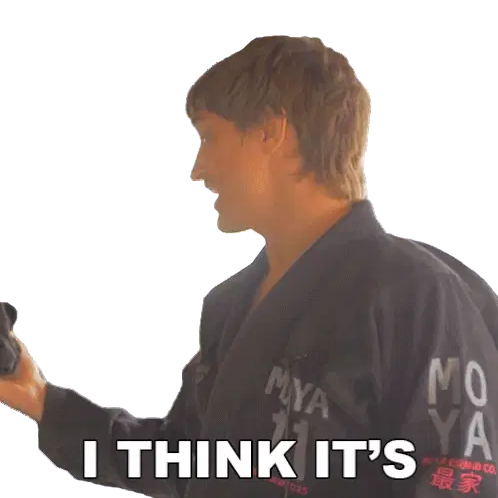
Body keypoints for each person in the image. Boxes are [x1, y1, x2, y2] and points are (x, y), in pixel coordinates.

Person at [1, 34, 497, 498]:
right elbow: (189, 462)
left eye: (210, 137)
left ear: (269, 132)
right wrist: (39, 398)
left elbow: (458, 482)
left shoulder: (419, 295)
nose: (200, 169)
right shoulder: (231, 305)